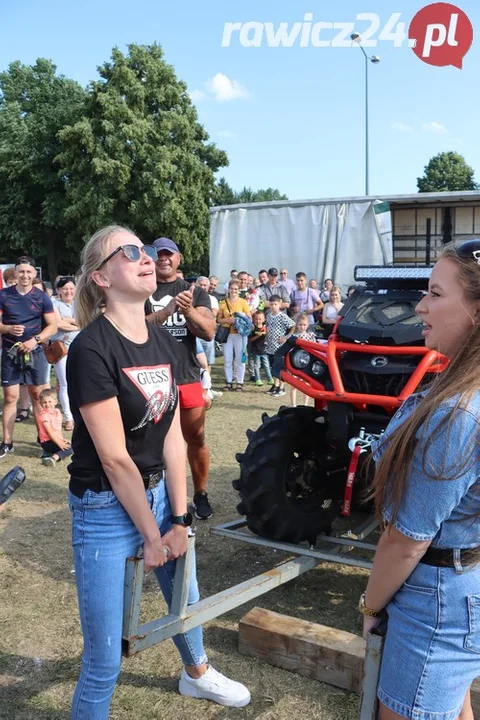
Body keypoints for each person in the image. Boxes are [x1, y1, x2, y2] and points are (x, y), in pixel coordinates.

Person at [66, 225, 250, 718]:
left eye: (146, 250)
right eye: (129, 252)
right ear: (101, 278)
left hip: (160, 498)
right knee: (105, 658)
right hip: (104, 506)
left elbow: (172, 437)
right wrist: (153, 536)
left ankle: (197, 675)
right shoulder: (90, 347)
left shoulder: (164, 343)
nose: (146, 257)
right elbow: (113, 457)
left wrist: (180, 518)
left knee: (183, 603)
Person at [361, 239, 480, 720]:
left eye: (434, 293)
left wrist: (370, 605)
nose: (419, 306)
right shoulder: (459, 389)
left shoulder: (459, 412)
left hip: (435, 595)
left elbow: (407, 540)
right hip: (458, 583)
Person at [145, 238, 216, 520]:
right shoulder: (142, 287)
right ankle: (162, 499)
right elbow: (129, 327)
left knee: (195, 437)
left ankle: (200, 494)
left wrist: (187, 310)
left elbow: (209, 331)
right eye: (158, 255)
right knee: (153, 442)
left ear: (179, 258)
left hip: (185, 376)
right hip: (150, 378)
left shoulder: (194, 291)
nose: (163, 259)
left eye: (168, 254)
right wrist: (165, 312)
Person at [0, 256, 57, 458]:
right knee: (10, 398)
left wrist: (36, 339)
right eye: (21, 271)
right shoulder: (4, 295)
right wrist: (6, 328)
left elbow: (53, 325)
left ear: (34, 274)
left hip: (35, 352)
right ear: (15, 273)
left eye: (28, 272)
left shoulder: (41, 297)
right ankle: (7, 442)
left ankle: (44, 438)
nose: (24, 275)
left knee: (38, 396)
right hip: (10, 352)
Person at [51, 276, 79, 431]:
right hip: (61, 348)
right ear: (59, 291)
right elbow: (58, 324)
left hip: (79, 348)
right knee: (64, 383)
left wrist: (69, 320)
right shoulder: (54, 304)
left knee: (79, 382)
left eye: (71, 288)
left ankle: (79, 414)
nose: (68, 292)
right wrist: (77, 322)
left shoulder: (79, 303)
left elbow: (88, 319)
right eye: (65, 289)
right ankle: (69, 417)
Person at [217, 280, 251, 391]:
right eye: (232, 289)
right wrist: (227, 319)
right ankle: (229, 381)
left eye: (236, 289)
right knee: (227, 359)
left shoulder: (243, 302)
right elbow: (219, 319)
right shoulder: (223, 303)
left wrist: (239, 320)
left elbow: (249, 318)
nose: (234, 291)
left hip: (240, 334)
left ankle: (239, 382)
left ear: (239, 290)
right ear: (229, 290)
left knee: (240, 359)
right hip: (227, 333)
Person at [265, 295, 295, 397]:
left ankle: (281, 387)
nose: (273, 306)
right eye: (271, 304)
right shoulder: (269, 316)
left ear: (280, 304)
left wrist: (286, 337)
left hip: (279, 346)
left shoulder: (282, 316)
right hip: (271, 345)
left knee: (280, 367)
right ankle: (275, 385)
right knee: (272, 366)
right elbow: (268, 328)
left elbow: (293, 325)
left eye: (275, 304)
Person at [38, 387, 72, 467]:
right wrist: (59, 443)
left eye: (50, 401)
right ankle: (53, 458)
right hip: (48, 441)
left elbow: (57, 430)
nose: (47, 404)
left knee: (71, 443)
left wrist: (62, 439)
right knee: (71, 448)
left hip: (53, 439)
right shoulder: (44, 416)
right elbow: (49, 432)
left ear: (55, 402)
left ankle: (48, 453)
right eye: (44, 402)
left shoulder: (57, 412)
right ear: (40, 403)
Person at [289, 313, 316, 408]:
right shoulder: (293, 337)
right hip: (295, 363)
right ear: (297, 325)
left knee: (307, 384)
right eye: (300, 324)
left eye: (304, 325)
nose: (302, 327)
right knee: (294, 385)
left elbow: (314, 349)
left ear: (308, 325)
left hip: (307, 363)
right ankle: (293, 404)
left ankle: (305, 404)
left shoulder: (310, 336)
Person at [249, 310, 273, 387]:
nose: (258, 321)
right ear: (253, 319)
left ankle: (270, 378)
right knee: (256, 365)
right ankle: (258, 379)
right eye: (256, 319)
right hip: (255, 350)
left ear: (263, 319)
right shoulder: (253, 329)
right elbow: (250, 340)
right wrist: (257, 336)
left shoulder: (265, 328)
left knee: (266, 365)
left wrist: (266, 333)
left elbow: (268, 338)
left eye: (260, 319)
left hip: (264, 350)